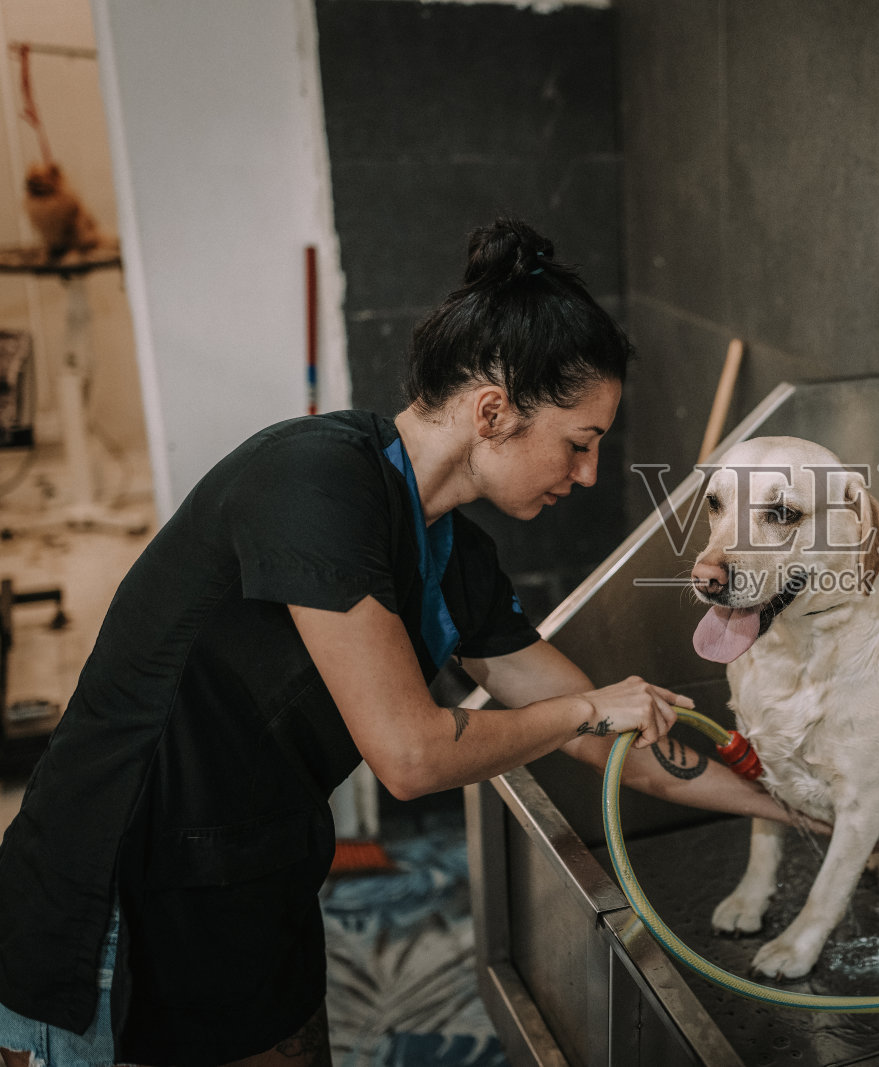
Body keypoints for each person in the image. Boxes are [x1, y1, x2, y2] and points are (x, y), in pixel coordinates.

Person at [0, 219, 803, 1067]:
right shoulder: (314, 482)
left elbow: (620, 746)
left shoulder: (460, 558)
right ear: (493, 411)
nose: (589, 474)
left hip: (255, 874)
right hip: (117, 889)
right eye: (580, 443)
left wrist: (793, 804)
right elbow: (411, 754)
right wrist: (586, 707)